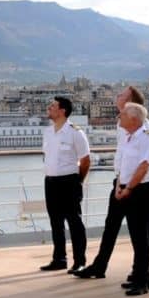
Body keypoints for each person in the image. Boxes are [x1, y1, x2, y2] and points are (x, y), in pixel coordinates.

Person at [75, 86, 149, 282]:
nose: (116, 97)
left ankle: (144, 273)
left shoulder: (143, 128)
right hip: (120, 182)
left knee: (142, 233)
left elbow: (145, 162)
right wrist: (119, 183)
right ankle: (100, 266)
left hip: (137, 186)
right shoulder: (123, 124)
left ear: (131, 102)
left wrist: (130, 185)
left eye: (121, 95)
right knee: (110, 227)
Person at [39, 96, 91, 273]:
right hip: (51, 182)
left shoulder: (75, 132)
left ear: (62, 111)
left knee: (74, 222)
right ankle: (59, 259)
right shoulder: (48, 132)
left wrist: (78, 181)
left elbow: (85, 160)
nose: (49, 108)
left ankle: (80, 261)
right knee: (56, 222)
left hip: (69, 181)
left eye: (52, 106)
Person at [114, 102, 149, 295]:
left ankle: (141, 282)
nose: (119, 117)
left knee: (143, 237)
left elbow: (143, 166)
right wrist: (119, 186)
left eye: (122, 114)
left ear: (133, 118)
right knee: (135, 236)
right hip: (127, 189)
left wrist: (129, 188)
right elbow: (123, 166)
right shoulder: (127, 138)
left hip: (142, 191)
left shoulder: (148, 139)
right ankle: (143, 277)